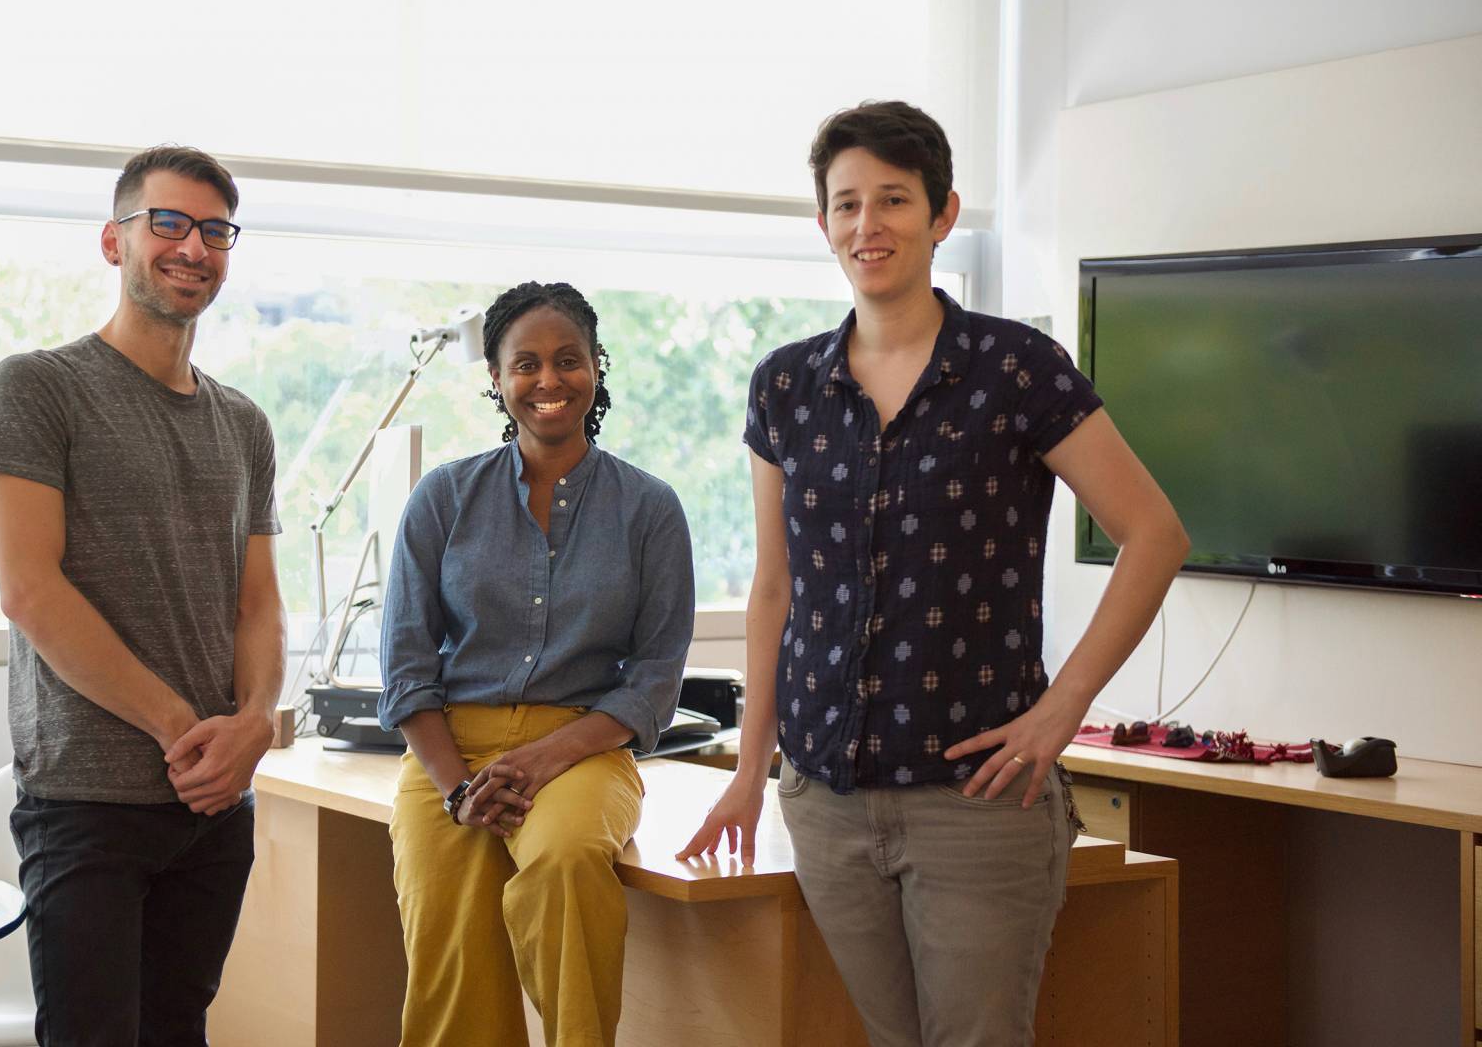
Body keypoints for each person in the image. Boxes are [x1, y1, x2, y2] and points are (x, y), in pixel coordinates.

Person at [679, 101, 1189, 1046]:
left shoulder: (1016, 370)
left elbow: (1154, 534)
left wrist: (1061, 709)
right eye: (846, 205)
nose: (867, 226)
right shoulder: (784, 386)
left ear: (944, 213)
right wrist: (751, 771)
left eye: (894, 200)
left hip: (976, 802)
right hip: (824, 800)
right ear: (822, 223)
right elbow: (775, 591)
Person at [0, 145, 287, 1046]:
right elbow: (31, 592)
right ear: (115, 242)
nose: (194, 246)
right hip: (88, 801)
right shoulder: (39, 388)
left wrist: (256, 722)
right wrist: (184, 732)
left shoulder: (244, 424)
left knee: (178, 1031)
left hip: (215, 806)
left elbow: (257, 603)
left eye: (215, 230)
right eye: (170, 223)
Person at [377, 281, 695, 1047]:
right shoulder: (443, 498)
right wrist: (458, 791)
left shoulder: (649, 509)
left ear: (596, 367)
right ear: (496, 378)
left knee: (561, 864)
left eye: (568, 360)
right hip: (449, 750)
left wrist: (545, 757)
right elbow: (406, 666)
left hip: (581, 748)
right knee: (451, 950)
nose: (548, 381)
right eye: (526, 364)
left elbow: (654, 678)